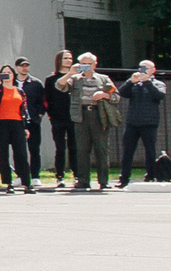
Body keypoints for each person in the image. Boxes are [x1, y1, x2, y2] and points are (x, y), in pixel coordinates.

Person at [66, 54, 117, 192]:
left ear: (95, 65)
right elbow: (60, 86)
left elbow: (116, 96)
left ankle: (104, 181)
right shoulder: (75, 79)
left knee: (102, 149)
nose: (86, 66)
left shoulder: (103, 79)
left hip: (99, 115)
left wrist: (104, 95)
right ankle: (83, 181)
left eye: (89, 64)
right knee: (82, 149)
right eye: (83, 64)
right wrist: (70, 73)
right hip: (81, 116)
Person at [117, 59, 166, 187]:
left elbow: (159, 95)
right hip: (132, 123)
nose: (143, 71)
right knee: (127, 151)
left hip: (149, 123)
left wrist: (147, 82)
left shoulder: (158, 83)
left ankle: (150, 176)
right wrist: (130, 82)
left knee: (150, 151)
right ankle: (124, 178)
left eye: (147, 68)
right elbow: (121, 93)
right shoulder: (134, 84)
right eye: (141, 68)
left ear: (153, 70)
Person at [45, 50, 80, 185]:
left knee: (74, 147)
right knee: (60, 148)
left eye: (70, 58)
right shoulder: (51, 79)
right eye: (65, 58)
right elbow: (47, 98)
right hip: (58, 118)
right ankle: (60, 176)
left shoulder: (77, 78)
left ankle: (76, 175)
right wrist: (51, 115)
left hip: (74, 117)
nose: (68, 61)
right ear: (59, 60)